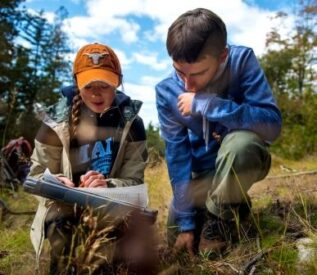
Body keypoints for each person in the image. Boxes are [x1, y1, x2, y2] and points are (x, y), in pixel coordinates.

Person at [155, 8, 282, 257]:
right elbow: (177, 156)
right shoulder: (166, 92)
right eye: (180, 72)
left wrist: (206, 103)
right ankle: (232, 207)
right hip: (200, 172)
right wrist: (186, 222)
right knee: (176, 237)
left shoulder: (242, 61)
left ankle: (218, 220)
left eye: (199, 73)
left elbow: (271, 125)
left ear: (222, 55)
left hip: (240, 158)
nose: (187, 85)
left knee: (240, 145)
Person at [28, 43, 148, 273]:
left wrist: (108, 185)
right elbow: (35, 175)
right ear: (77, 83)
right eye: (88, 85)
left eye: (105, 84)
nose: (96, 92)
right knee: (64, 247)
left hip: (109, 211)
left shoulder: (132, 123)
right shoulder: (55, 121)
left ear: (118, 83)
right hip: (63, 210)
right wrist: (54, 180)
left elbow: (135, 183)